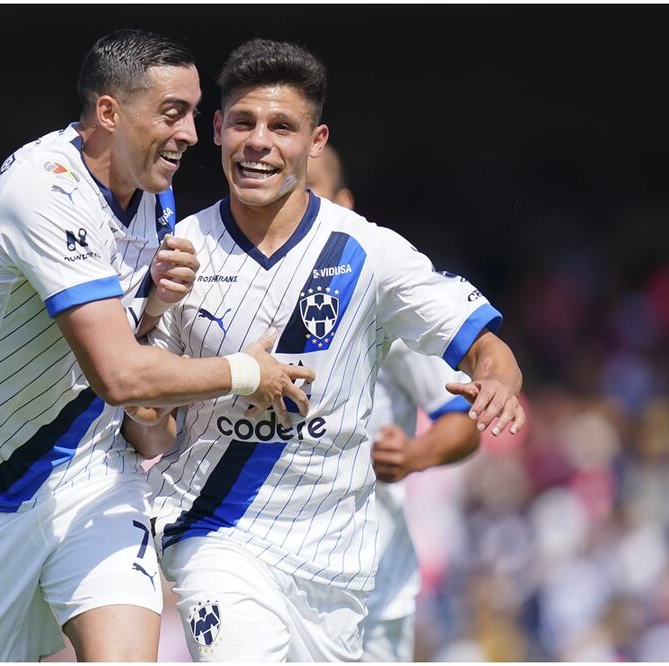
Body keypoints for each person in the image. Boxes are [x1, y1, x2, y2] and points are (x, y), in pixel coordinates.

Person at [0, 30, 313, 662]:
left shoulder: (156, 194)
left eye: (192, 111)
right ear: (109, 112)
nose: (190, 132)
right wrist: (246, 372)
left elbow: (124, 347)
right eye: (171, 113)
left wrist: (154, 307)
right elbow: (118, 375)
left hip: (93, 473)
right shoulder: (41, 190)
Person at [126, 39, 525, 661]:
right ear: (217, 130)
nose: (259, 141)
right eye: (243, 123)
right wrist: (155, 367)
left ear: (315, 142)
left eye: (282, 126)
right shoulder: (178, 251)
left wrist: (498, 376)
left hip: (333, 561)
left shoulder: (371, 253)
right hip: (213, 534)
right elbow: (148, 421)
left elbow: (483, 342)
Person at [309, 145, 484, 661]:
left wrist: (413, 455)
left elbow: (461, 416)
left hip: (371, 578)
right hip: (265, 560)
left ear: (345, 203)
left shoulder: (385, 302)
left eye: (312, 187)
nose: (298, 200)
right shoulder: (243, 293)